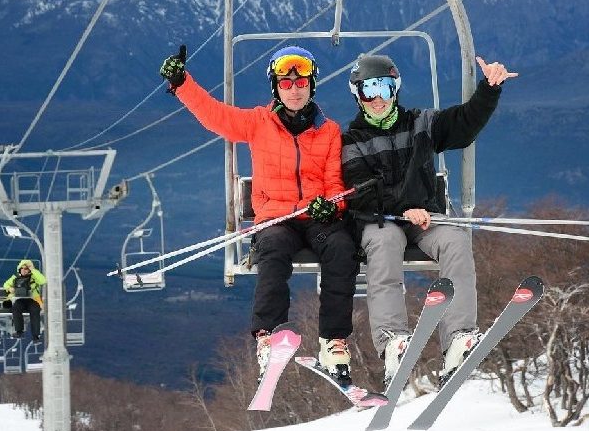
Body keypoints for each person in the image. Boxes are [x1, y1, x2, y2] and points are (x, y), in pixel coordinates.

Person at [160, 45, 359, 384]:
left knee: (341, 248)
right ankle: (269, 336)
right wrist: (182, 83)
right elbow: (214, 115)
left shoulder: (328, 131)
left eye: (301, 83)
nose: (294, 90)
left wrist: (334, 204)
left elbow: (334, 181)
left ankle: (333, 341)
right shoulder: (257, 123)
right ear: (276, 88)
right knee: (273, 252)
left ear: (312, 85)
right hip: (276, 217)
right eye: (286, 83)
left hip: (315, 215)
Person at [341, 53, 518, 385]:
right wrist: (404, 207)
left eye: (384, 87)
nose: (377, 98)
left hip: (424, 219)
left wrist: (489, 89)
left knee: (455, 240)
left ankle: (458, 338)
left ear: (395, 89)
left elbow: (463, 125)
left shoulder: (420, 123)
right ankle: (393, 339)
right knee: (385, 242)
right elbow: (360, 192)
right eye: (368, 91)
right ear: (358, 95)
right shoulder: (351, 142)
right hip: (378, 220)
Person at [3, 259, 46, 342]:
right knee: (16, 308)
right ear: (19, 269)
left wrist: (33, 270)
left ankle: (36, 335)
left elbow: (43, 281)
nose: (24, 270)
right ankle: (19, 331)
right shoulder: (15, 278)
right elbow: (5, 284)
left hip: (32, 299)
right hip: (20, 299)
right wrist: (9, 288)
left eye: (26, 268)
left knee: (35, 310)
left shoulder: (34, 277)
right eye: (22, 268)